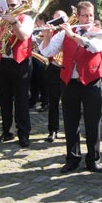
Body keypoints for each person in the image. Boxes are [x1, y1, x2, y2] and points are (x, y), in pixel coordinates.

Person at [40, 1, 102, 174]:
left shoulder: (99, 33)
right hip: (69, 82)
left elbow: (93, 47)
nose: (88, 18)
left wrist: (72, 35)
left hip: (91, 81)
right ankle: (72, 158)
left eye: (91, 15)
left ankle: (93, 159)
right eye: (85, 15)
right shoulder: (64, 34)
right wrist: (48, 35)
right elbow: (47, 52)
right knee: (71, 122)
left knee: (93, 122)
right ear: (78, 17)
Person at [0, 0, 34, 148]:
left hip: (20, 63)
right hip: (3, 62)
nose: (10, 8)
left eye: (13, 5)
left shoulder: (26, 19)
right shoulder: (1, 20)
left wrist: (14, 22)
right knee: (4, 100)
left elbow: (24, 36)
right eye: (8, 5)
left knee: (21, 100)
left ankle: (24, 134)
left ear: (20, 5)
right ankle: (7, 131)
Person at [40, 9, 67, 142]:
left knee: (70, 102)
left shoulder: (70, 32)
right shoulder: (50, 33)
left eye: (61, 19)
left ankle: (70, 129)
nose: (59, 22)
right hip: (55, 68)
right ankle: (53, 130)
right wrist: (47, 36)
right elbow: (44, 50)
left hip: (68, 69)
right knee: (53, 101)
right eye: (55, 19)